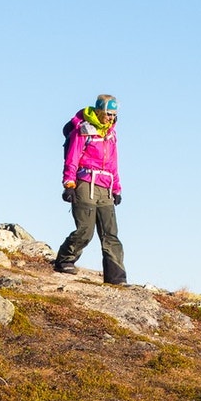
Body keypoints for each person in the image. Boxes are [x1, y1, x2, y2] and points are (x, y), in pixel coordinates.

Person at [54, 95, 126, 284]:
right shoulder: (83, 130)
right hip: (85, 182)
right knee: (86, 230)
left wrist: (117, 188)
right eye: (108, 114)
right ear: (100, 111)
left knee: (110, 233)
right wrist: (69, 184)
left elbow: (113, 163)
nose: (111, 118)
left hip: (106, 187)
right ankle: (65, 259)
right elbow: (72, 158)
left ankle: (116, 278)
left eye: (114, 114)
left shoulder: (111, 134)